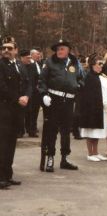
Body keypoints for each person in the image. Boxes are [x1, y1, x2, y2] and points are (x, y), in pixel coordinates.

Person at [38, 39, 84, 172]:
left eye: (62, 49)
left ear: (68, 50)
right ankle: (50, 157)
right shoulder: (50, 62)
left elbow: (81, 77)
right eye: (57, 49)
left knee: (66, 131)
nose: (59, 51)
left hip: (69, 101)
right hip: (54, 100)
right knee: (52, 130)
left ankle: (65, 158)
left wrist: (79, 85)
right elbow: (42, 80)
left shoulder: (75, 62)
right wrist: (44, 94)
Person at [0, 36, 31, 189]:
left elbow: (27, 83)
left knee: (12, 142)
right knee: (3, 144)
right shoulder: (0, 65)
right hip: (4, 109)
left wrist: (26, 95)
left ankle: (8, 174)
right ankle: (1, 177)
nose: (6, 50)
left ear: (16, 51)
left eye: (9, 48)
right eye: (3, 48)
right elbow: (2, 87)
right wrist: (18, 98)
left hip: (17, 110)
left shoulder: (20, 65)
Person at [79, 53, 107, 162]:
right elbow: (85, 95)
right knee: (91, 131)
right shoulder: (88, 77)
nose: (101, 66)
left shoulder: (103, 77)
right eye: (99, 64)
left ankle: (96, 152)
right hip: (91, 109)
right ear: (93, 65)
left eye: (102, 64)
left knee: (97, 132)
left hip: (102, 108)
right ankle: (90, 153)